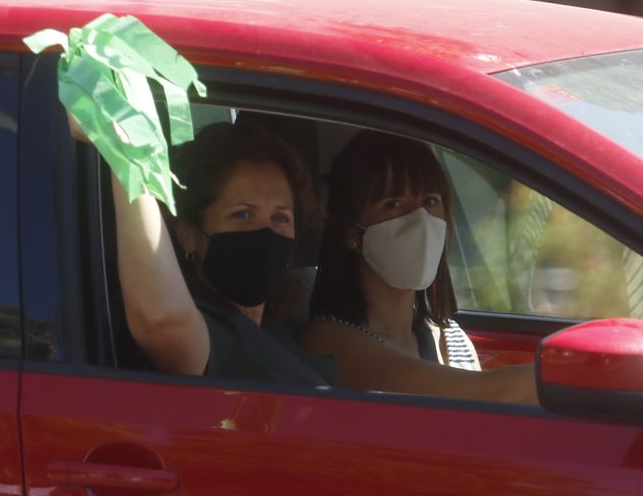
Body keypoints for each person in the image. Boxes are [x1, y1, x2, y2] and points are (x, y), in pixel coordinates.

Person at [77, 116, 332, 386]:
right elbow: (162, 320)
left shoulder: (275, 332)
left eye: (280, 218)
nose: (266, 232)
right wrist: (126, 153)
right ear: (190, 235)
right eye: (243, 214)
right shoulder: (203, 321)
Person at [300, 130, 536, 404]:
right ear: (351, 233)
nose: (420, 219)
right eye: (394, 204)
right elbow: (483, 395)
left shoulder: (450, 336)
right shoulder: (327, 341)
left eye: (430, 202)